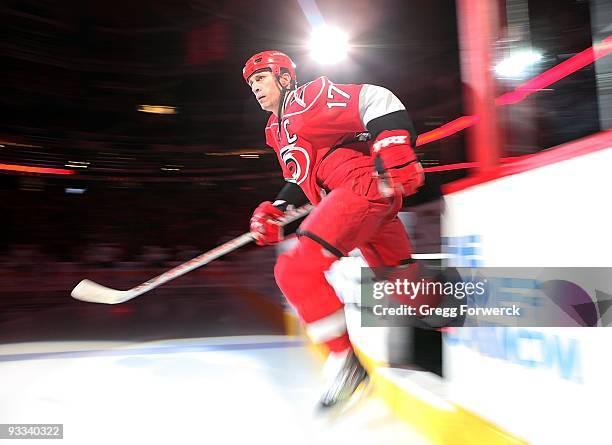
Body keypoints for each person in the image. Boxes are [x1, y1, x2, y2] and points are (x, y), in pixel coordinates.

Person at [243, 50, 424, 408]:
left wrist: (393, 142)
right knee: (408, 290)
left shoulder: (304, 101)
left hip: (358, 188)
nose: (255, 88)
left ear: (283, 76)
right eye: (251, 83)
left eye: (261, 78)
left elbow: (375, 98)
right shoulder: (275, 129)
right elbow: (301, 180)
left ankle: (345, 363)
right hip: (360, 197)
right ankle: (489, 318)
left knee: (294, 271)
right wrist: (277, 209)